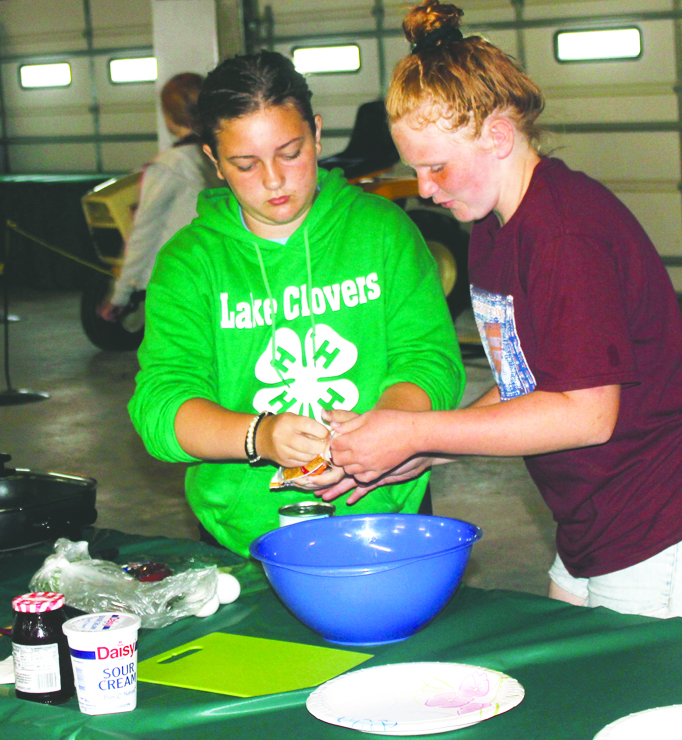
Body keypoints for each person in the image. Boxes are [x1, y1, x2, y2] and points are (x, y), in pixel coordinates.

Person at [324, 0, 682, 621]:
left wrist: (415, 427)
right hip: (593, 521)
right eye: (414, 169)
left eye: (436, 166)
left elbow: (585, 416)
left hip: (662, 522)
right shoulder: (498, 226)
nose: (424, 188)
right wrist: (422, 451)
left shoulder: (563, 234)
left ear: (499, 136)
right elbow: (525, 384)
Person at [127, 50, 464, 557]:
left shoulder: (383, 232)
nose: (273, 180)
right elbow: (161, 407)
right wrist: (259, 436)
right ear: (213, 160)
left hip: (386, 514)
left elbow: (431, 360)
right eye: (245, 163)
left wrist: (379, 435)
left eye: (290, 151)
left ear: (318, 133)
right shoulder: (189, 263)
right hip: (243, 534)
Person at [100, 72, 222, 321]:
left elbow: (144, 232)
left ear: (168, 118)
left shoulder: (169, 165)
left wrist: (121, 293)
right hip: (219, 276)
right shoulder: (220, 156)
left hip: (178, 284)